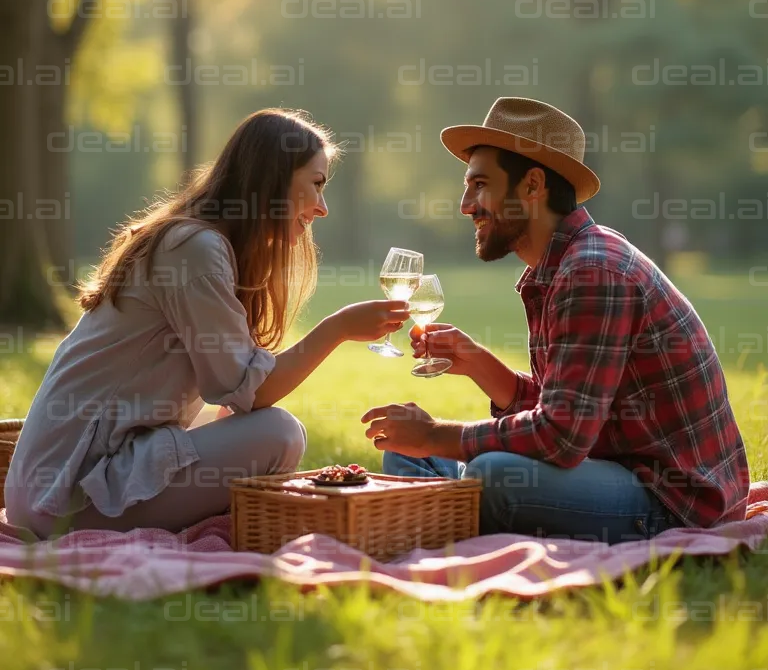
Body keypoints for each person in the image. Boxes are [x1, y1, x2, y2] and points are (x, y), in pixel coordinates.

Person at [7, 109, 409, 538]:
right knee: (279, 433)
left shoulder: (196, 242)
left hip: (54, 487)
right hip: (66, 497)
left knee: (235, 423)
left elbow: (230, 397)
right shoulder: (195, 250)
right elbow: (252, 393)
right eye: (316, 184)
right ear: (272, 178)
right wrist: (339, 327)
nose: (323, 208)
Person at [363, 97, 750, 543]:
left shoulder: (592, 270)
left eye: (480, 185)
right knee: (405, 455)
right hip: (608, 467)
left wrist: (434, 435)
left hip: (668, 500)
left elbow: (561, 438)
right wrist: (480, 366)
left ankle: (433, 514)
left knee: (492, 473)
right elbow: (569, 412)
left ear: (533, 185)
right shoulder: (565, 263)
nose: (466, 205)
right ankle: (443, 510)